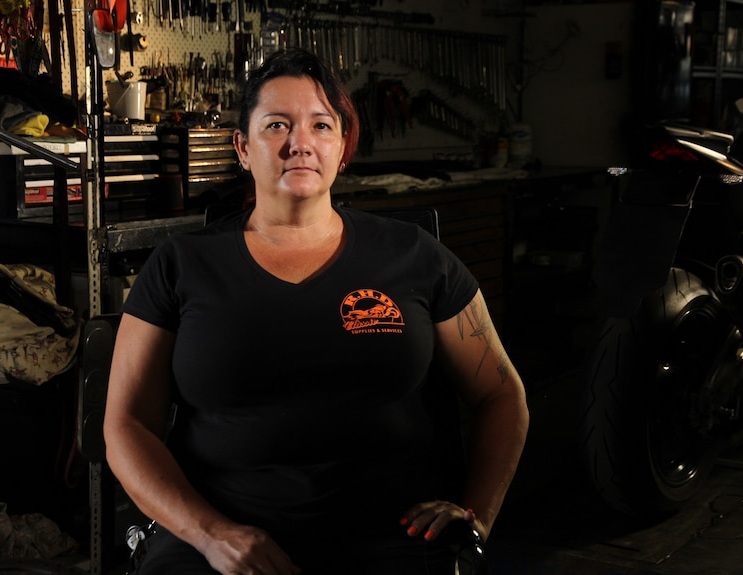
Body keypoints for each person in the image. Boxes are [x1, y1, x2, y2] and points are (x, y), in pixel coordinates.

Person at [103, 48, 529, 575]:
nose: (299, 143)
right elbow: (126, 425)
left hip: (394, 533)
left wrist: (475, 517)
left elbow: (501, 392)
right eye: (277, 124)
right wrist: (211, 535)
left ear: (341, 146)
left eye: (321, 125)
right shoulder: (181, 265)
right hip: (218, 530)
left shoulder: (416, 257)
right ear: (242, 147)